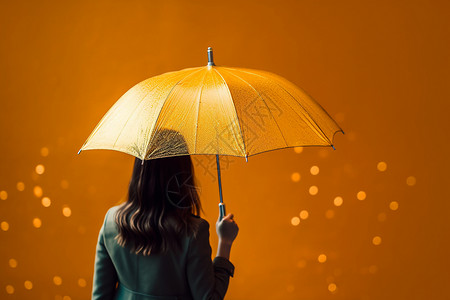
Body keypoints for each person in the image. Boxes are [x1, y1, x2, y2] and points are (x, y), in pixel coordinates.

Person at [91, 154, 239, 300]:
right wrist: (225, 243)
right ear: (183, 173)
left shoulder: (111, 220)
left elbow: (100, 296)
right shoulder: (193, 231)